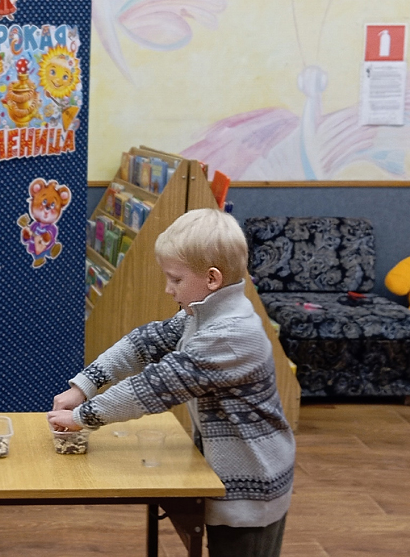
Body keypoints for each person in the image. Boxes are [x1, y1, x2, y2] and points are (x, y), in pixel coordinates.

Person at [48, 209, 295, 557]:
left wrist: (81, 417)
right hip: (227, 472)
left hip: (252, 485)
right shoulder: (202, 315)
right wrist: (84, 385)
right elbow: (144, 343)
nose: (168, 289)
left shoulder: (229, 335)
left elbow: (153, 388)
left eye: (176, 279)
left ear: (212, 279)